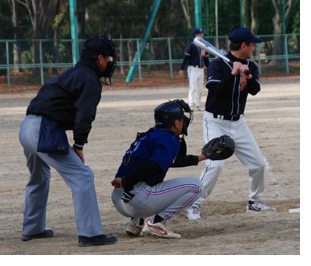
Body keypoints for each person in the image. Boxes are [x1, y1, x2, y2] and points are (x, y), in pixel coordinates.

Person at [19, 35, 119, 247]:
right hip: (43, 129)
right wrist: (79, 145)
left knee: (39, 177)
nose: (110, 62)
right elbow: (85, 115)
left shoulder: (74, 72)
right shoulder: (90, 79)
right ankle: (90, 234)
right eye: (108, 58)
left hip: (27, 125)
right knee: (82, 176)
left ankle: (32, 228)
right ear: (99, 58)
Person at [187, 27, 272, 220]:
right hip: (215, 122)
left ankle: (254, 202)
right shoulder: (218, 65)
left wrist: (247, 75)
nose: (254, 48)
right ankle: (194, 204)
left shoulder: (252, 65)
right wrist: (233, 74)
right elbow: (215, 90)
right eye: (252, 45)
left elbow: (255, 90)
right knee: (215, 165)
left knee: (258, 164)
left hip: (238, 123)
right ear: (244, 45)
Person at [111, 100, 207, 239]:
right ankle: (157, 223)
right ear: (176, 123)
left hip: (119, 199)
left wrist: (202, 157)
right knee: (196, 186)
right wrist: (126, 180)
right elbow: (153, 166)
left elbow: (169, 161)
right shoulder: (168, 138)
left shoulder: (150, 135)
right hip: (136, 200)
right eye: (182, 118)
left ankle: (136, 222)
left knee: (154, 177)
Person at [179, 28, 210, 111]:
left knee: (200, 88)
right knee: (193, 87)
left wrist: (210, 68)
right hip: (193, 68)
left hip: (201, 69)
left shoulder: (203, 46)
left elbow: (206, 59)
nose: (202, 35)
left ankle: (198, 104)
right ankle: (191, 104)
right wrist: (182, 68)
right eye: (200, 34)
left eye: (202, 34)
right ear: (196, 35)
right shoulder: (191, 45)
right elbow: (186, 57)